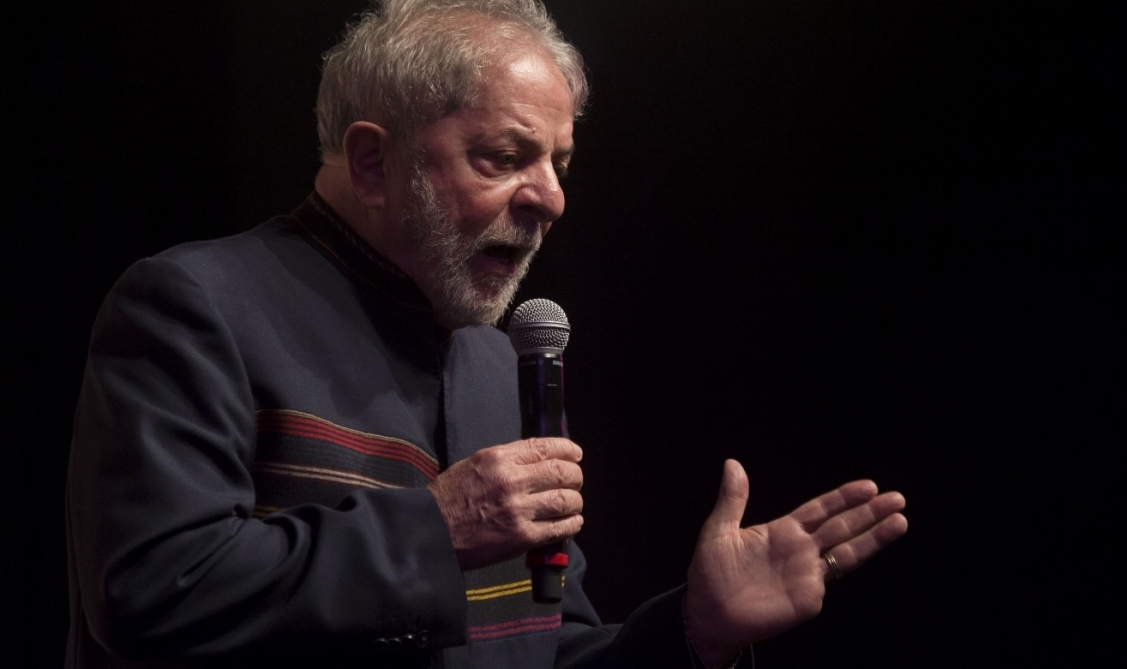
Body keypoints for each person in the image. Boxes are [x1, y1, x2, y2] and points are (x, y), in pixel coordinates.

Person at [64, 1, 908, 667]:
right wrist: (436, 530)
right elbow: (152, 592)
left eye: (558, 164)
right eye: (505, 157)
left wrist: (695, 631)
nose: (551, 198)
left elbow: (544, 651)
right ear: (371, 162)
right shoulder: (197, 304)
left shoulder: (492, 365)